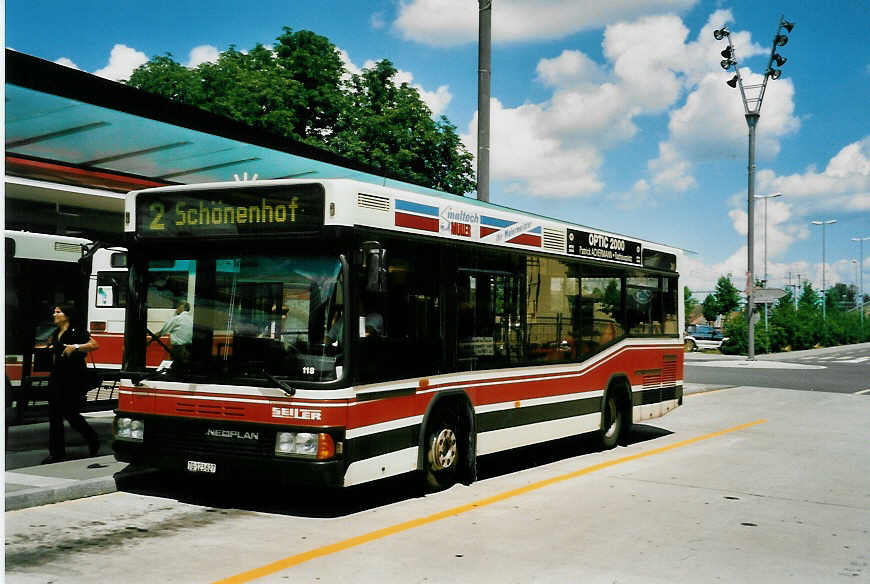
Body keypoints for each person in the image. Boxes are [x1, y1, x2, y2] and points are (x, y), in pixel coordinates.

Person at [43, 302, 100, 464]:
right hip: (57, 376)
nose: (54, 314)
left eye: (58, 312)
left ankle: (92, 438)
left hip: (73, 377)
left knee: (70, 414)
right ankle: (56, 453)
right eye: (54, 311)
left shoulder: (76, 331)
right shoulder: (56, 333)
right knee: (54, 415)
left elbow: (95, 345)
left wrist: (75, 347)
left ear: (66, 315)